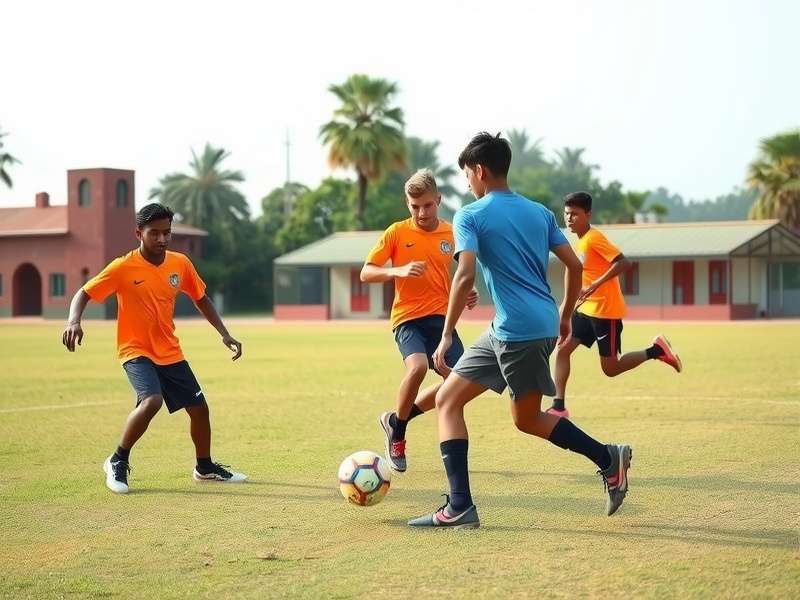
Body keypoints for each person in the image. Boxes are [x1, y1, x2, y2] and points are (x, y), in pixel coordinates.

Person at [407, 133, 631, 529]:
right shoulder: (540, 212)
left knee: (526, 419)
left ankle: (607, 458)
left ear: (479, 171)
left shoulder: (470, 215)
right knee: (449, 400)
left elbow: (463, 276)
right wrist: (563, 316)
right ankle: (460, 505)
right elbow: (575, 267)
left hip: (517, 332)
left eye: (467, 176)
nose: (467, 185)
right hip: (521, 326)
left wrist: (446, 334)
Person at [61, 203, 247, 494]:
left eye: (167, 233)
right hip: (135, 349)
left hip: (169, 350)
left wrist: (224, 333)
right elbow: (83, 293)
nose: (162, 239)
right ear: (139, 233)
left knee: (199, 409)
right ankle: (117, 460)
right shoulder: (123, 267)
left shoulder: (180, 263)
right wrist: (74, 320)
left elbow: (201, 298)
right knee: (151, 401)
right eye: (154, 233)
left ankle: (204, 467)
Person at [361, 169, 477, 472]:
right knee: (419, 368)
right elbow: (366, 272)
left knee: (459, 381)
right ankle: (398, 434)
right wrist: (395, 271)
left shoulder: (451, 233)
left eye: (427, 205)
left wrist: (467, 291)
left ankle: (397, 419)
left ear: (438, 200)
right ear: (407, 204)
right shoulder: (396, 233)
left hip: (441, 320)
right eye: (415, 206)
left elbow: (460, 271)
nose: (421, 212)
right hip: (408, 318)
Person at [547, 191, 682, 418]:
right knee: (562, 350)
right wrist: (566, 307)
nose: (569, 218)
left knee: (610, 369)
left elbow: (623, 263)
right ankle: (559, 407)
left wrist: (595, 285)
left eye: (575, 214)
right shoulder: (579, 242)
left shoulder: (594, 238)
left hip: (605, 312)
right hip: (587, 309)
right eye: (567, 213)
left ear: (588, 215)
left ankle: (656, 350)